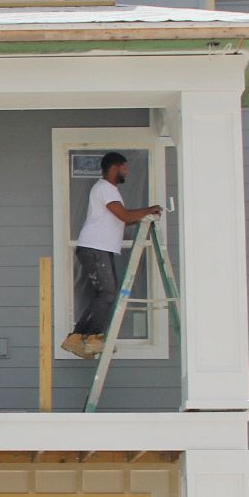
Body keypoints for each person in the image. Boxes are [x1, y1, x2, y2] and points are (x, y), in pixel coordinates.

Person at [63, 152, 162, 359]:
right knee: (107, 293)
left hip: (98, 248)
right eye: (124, 168)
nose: (126, 172)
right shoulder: (105, 189)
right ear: (115, 167)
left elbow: (123, 220)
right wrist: (149, 209)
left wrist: (145, 216)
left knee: (105, 293)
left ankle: (77, 337)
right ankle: (94, 338)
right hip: (95, 247)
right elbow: (124, 215)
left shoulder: (108, 191)